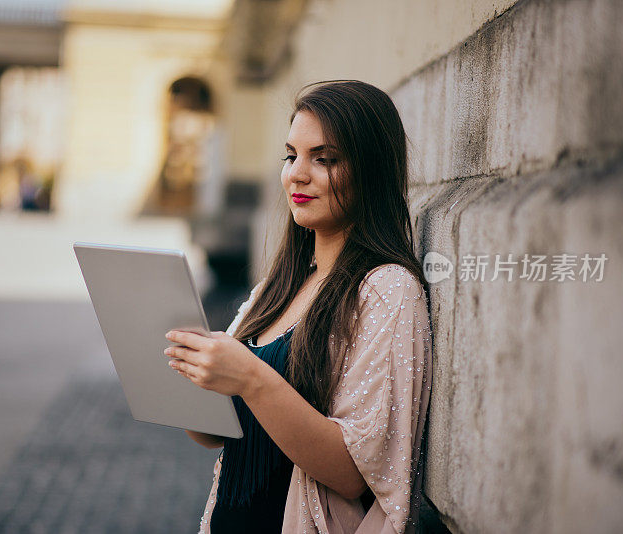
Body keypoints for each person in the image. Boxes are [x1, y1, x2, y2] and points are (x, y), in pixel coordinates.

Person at [163, 80, 433, 534]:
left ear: (371, 170)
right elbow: (213, 434)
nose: (296, 174)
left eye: (323, 159)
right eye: (291, 156)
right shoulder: (278, 285)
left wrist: (250, 377)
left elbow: (354, 474)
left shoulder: (388, 290)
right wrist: (187, 370)